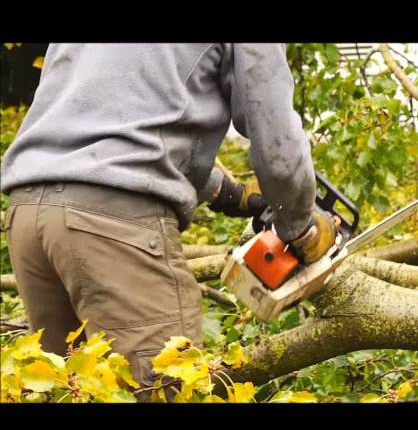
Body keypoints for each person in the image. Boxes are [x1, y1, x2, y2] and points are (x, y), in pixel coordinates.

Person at [1, 44, 337, 387]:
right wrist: (300, 225)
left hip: (29, 212)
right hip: (112, 222)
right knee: (169, 385)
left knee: (68, 387)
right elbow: (277, 143)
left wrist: (224, 191)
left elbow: (109, 118)